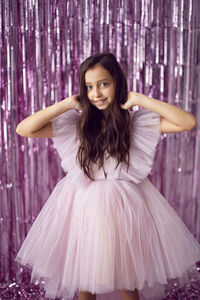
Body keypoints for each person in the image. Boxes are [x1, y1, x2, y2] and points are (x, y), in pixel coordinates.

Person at [15, 52, 200, 300]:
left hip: (125, 207)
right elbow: (23, 129)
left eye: (104, 84)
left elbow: (187, 122)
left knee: (129, 280)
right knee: (84, 279)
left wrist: (140, 99)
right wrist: (68, 103)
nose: (97, 94)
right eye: (89, 87)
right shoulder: (76, 125)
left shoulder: (135, 123)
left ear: (117, 83)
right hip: (83, 206)